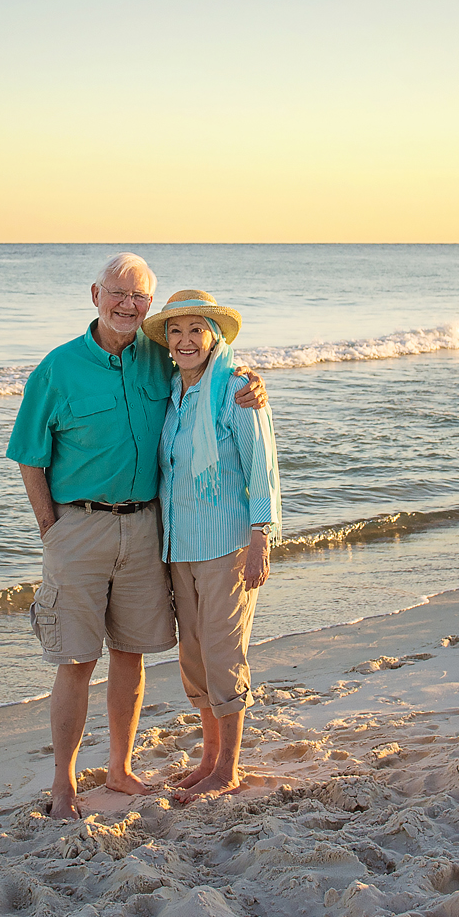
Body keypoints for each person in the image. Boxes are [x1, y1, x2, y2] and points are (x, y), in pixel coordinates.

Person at [6, 254, 268, 820]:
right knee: (75, 657)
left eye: (140, 296)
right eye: (118, 293)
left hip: (149, 528)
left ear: (151, 305)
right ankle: (63, 784)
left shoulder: (160, 357)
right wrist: (50, 527)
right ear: (95, 294)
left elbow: (212, 368)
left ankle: (121, 769)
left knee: (131, 653)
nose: (128, 304)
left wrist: (254, 384)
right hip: (78, 528)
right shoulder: (57, 368)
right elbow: (29, 455)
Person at [144, 289, 278, 803]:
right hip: (179, 547)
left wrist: (260, 538)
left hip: (226, 544)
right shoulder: (173, 393)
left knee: (224, 654)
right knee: (193, 656)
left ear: (214, 336)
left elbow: (260, 466)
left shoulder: (237, 389)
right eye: (175, 332)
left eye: (195, 330)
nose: (183, 341)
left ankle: (229, 768)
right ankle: (207, 756)